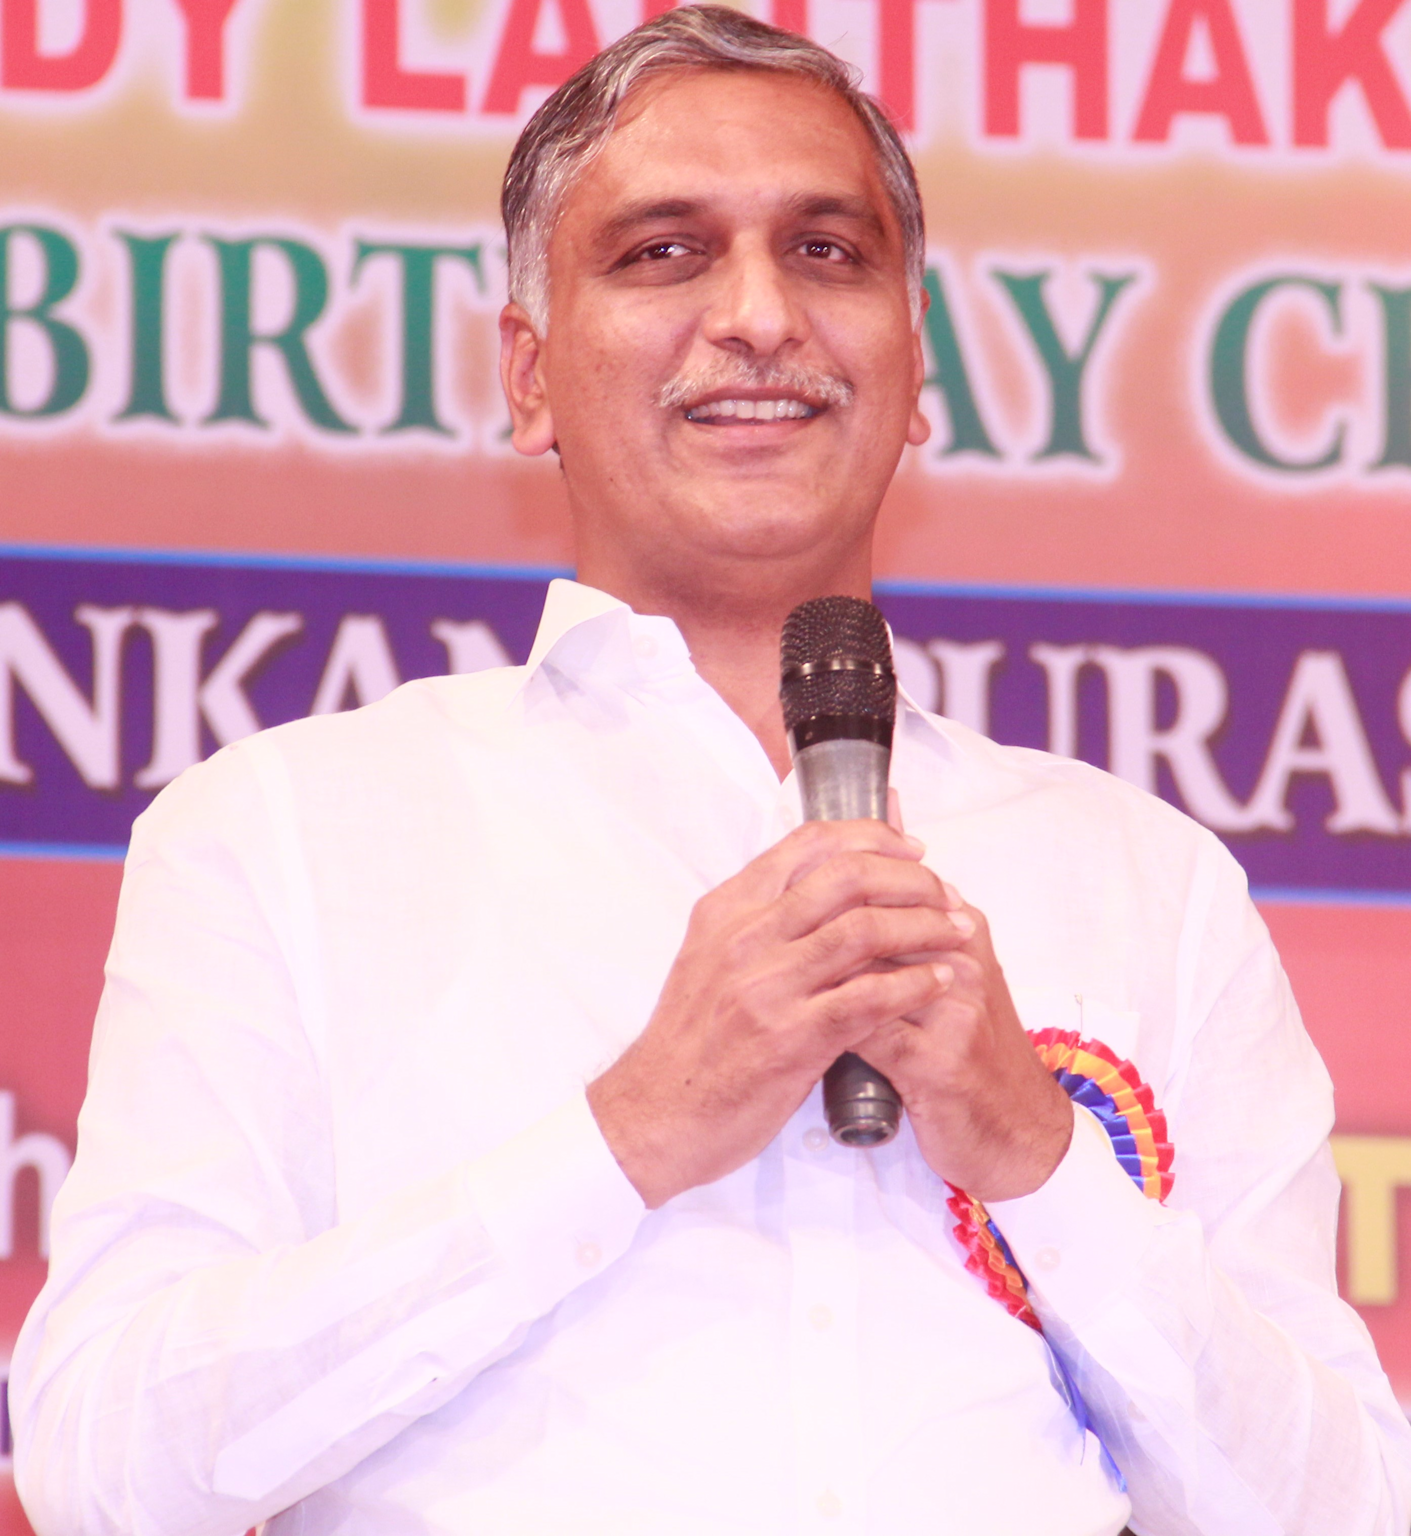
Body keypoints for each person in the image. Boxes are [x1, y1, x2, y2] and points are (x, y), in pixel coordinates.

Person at [11, 8, 1411, 1534]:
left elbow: (1339, 1508)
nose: (758, 316)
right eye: (662, 251)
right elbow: (98, 1476)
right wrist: (628, 1135)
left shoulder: (1149, 880)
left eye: (826, 251)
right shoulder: (283, 833)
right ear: (529, 374)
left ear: (915, 364)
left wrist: (1035, 1160)